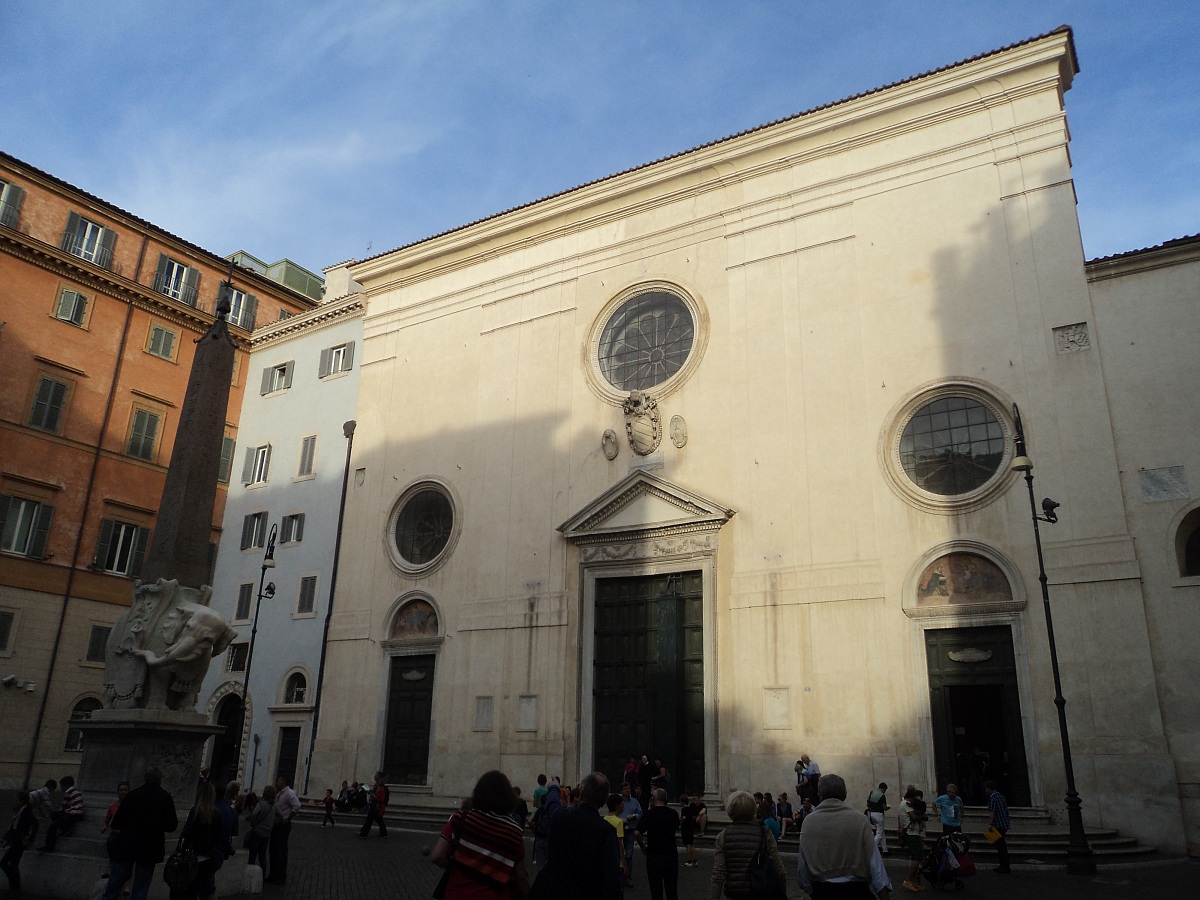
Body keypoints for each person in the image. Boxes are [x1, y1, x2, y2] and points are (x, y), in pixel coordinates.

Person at [430, 769, 530, 898]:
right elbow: (521, 876)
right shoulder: (514, 832)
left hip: (456, 893)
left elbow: (437, 856)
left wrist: (455, 865)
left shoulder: (461, 818)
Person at [796, 774, 891, 900]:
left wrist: (813, 892)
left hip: (823, 891)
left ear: (820, 795)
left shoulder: (808, 822)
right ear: (844, 795)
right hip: (857, 891)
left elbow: (803, 869)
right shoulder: (860, 820)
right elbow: (876, 866)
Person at [529, 772, 621, 900]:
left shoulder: (560, 818)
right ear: (605, 800)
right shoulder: (607, 832)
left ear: (581, 793)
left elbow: (552, 803)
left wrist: (555, 786)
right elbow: (612, 882)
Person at [101, 766, 178, 900]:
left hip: (127, 844)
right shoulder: (165, 798)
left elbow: (116, 823)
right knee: (141, 887)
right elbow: (171, 826)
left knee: (116, 881)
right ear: (160, 780)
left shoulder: (132, 795)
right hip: (150, 847)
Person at [710, 789, 787, 900]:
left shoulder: (723, 836)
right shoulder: (764, 833)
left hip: (734, 894)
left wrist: (714, 897)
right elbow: (779, 869)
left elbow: (718, 873)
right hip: (759, 892)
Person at [185, 781, 228, 900]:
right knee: (209, 891)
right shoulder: (216, 814)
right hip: (208, 858)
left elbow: (187, 834)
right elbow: (220, 837)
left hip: (193, 857)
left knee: (191, 890)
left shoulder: (195, 812)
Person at [636, 788, 680, 900]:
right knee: (672, 890)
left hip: (654, 856)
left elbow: (637, 833)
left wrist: (643, 848)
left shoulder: (649, 814)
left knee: (656, 891)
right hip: (670, 855)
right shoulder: (673, 813)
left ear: (654, 799)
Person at [1, 791, 37, 895]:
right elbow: (13, 827)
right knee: (12, 864)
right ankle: (15, 886)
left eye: (16, 800)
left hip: (20, 842)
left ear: (22, 801)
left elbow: (35, 824)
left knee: (6, 863)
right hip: (15, 840)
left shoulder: (26, 812)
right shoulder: (17, 811)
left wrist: (29, 838)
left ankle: (15, 885)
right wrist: (5, 839)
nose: (14, 802)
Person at [266, 774, 300, 884]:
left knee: (281, 850)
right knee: (273, 850)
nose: (276, 783)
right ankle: (273, 874)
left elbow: (297, 805)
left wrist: (288, 817)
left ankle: (280, 876)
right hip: (276, 824)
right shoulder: (280, 793)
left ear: (284, 781)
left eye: (278, 781)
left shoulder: (289, 793)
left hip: (283, 825)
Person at [37, 774, 84, 851]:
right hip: (77, 814)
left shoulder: (68, 792)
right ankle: (65, 827)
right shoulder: (75, 791)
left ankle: (49, 846)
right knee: (55, 815)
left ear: (66, 785)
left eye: (62, 786)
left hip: (73, 814)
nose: (61, 789)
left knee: (53, 825)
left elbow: (63, 807)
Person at [898, 786, 927, 891]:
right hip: (911, 833)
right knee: (917, 857)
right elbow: (914, 817)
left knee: (917, 857)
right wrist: (923, 817)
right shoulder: (906, 804)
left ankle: (913, 882)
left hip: (911, 832)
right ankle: (909, 881)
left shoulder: (903, 803)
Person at [245, 784, 276, 877]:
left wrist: (252, 821)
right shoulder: (274, 806)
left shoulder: (261, 804)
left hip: (257, 832)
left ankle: (249, 876)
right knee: (262, 857)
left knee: (253, 855)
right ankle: (262, 876)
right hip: (266, 834)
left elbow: (254, 814)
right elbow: (279, 816)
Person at [531, 776, 561, 868]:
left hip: (539, 811)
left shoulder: (537, 790)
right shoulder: (547, 790)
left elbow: (534, 803)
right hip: (549, 811)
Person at [619, 781, 642, 887]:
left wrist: (633, 816)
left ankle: (628, 877)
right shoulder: (618, 802)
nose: (628, 790)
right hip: (620, 829)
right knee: (619, 853)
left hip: (631, 830)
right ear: (621, 791)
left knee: (629, 854)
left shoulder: (635, 802)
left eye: (629, 788)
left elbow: (640, 813)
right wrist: (621, 819)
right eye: (625, 789)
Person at [984, 781, 1011, 874]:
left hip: (998, 824)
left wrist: (990, 824)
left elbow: (992, 811)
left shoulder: (992, 797)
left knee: (1000, 846)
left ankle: (1004, 866)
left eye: (986, 789)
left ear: (988, 788)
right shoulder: (1001, 796)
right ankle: (1004, 865)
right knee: (1002, 846)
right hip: (1004, 823)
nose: (985, 791)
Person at [603, 793, 627, 883]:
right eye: (622, 804)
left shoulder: (605, 819)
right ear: (617, 806)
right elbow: (620, 843)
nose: (623, 806)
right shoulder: (619, 822)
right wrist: (624, 863)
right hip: (618, 861)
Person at [358, 771, 389, 838]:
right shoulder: (377, 786)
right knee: (378, 820)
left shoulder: (382, 789)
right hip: (375, 805)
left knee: (371, 819)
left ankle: (364, 833)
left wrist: (371, 794)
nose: (374, 776)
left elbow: (380, 798)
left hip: (377, 806)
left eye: (376, 775)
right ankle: (383, 833)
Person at [216, 781, 240, 859]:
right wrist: (234, 806)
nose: (237, 792)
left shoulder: (233, 798)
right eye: (237, 790)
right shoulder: (225, 799)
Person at [866, 783, 890, 856]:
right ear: (883, 788)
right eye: (885, 790)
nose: (885, 791)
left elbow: (867, 804)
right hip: (879, 814)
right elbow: (884, 807)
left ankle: (885, 850)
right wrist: (889, 807)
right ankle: (871, 849)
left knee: (881, 832)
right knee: (879, 833)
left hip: (871, 814)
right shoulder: (882, 796)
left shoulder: (872, 793)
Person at [678, 793, 700, 868]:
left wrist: (680, 822)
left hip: (686, 827)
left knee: (687, 844)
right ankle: (695, 860)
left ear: (682, 802)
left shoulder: (684, 809)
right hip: (691, 827)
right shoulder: (691, 808)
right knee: (691, 843)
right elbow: (695, 816)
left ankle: (689, 860)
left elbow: (683, 817)